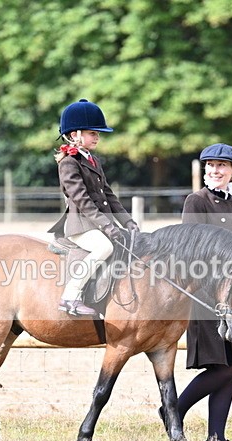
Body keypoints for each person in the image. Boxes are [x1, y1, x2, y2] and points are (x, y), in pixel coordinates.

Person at [163, 142, 232, 441]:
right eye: (210, 166)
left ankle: (216, 437)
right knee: (221, 365)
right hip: (205, 296)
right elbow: (190, 250)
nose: (215, 171)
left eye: (222, 166)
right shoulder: (196, 201)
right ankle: (172, 410)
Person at [48, 99, 139, 316]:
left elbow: (109, 195)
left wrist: (127, 221)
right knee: (104, 248)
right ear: (75, 134)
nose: (97, 136)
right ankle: (71, 295)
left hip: (97, 224)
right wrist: (108, 226)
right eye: (92, 133)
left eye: (98, 133)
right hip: (80, 227)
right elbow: (82, 200)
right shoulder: (69, 162)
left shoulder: (94, 161)